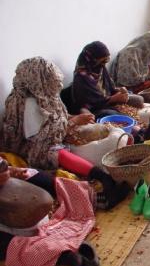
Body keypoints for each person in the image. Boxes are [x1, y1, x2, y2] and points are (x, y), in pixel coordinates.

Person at [1, 57, 130, 209]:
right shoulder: (27, 104)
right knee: (56, 153)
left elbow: (56, 118)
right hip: (34, 149)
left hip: (49, 140)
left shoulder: (41, 95)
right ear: (39, 80)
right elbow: (39, 140)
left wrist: (73, 119)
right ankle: (100, 180)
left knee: (92, 131)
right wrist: (73, 122)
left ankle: (103, 180)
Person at [66, 41, 143, 119]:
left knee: (139, 100)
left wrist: (120, 91)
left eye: (106, 61)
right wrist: (113, 99)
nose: (104, 64)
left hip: (107, 99)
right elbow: (89, 103)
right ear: (92, 60)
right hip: (93, 109)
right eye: (102, 61)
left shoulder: (100, 68)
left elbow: (110, 88)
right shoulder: (81, 77)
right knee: (112, 114)